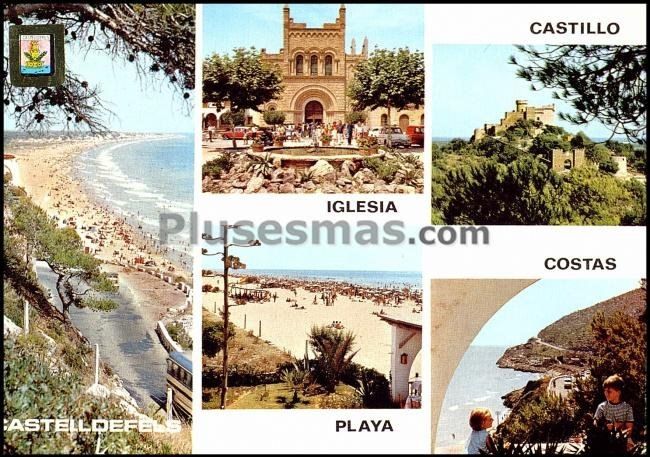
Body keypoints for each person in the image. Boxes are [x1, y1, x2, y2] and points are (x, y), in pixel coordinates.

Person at [594, 375, 634, 449]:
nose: (606, 393)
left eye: (609, 391)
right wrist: (604, 427)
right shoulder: (601, 407)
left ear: (618, 392)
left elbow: (629, 429)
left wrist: (617, 428)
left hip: (622, 440)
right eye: (605, 391)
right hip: (603, 440)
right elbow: (595, 425)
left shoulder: (627, 408)